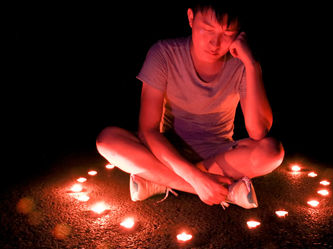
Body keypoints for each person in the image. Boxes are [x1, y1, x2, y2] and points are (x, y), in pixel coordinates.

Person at [96, 1, 284, 209]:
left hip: (218, 154)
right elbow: (148, 130)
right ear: (191, 18)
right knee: (108, 140)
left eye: (228, 32)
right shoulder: (164, 53)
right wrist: (196, 180)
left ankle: (157, 179)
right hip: (167, 152)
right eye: (207, 29)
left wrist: (252, 64)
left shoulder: (240, 63)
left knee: (271, 151)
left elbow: (258, 131)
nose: (215, 42)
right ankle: (226, 192)